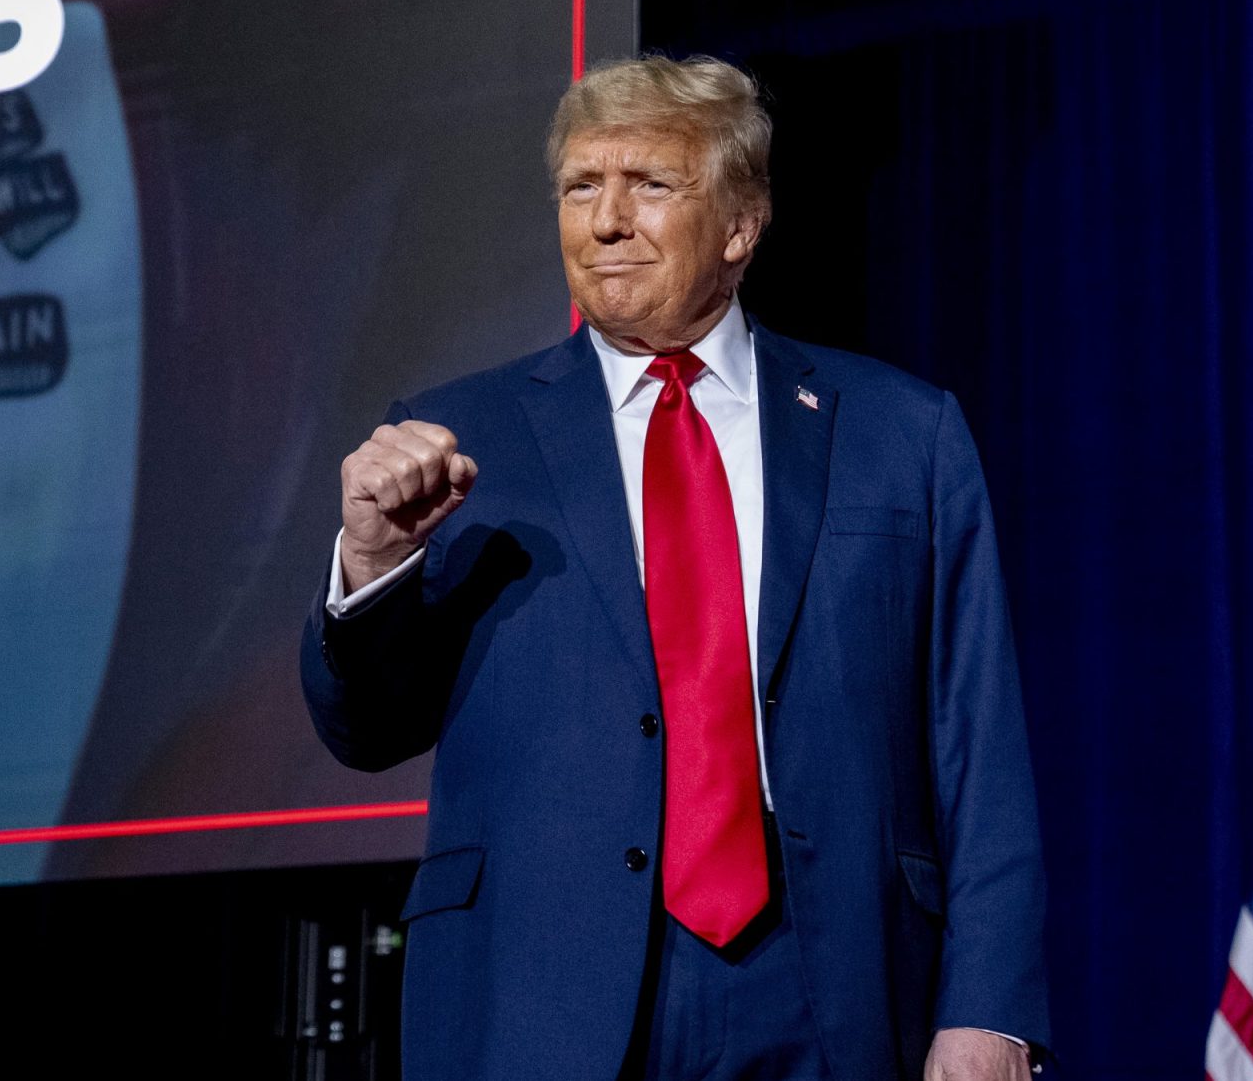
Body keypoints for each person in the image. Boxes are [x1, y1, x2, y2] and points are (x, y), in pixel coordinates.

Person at [301, 55, 1049, 1080]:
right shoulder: (460, 432)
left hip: (831, 977)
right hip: (538, 984)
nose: (604, 220)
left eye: (647, 185)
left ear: (740, 226)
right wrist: (374, 559)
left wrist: (988, 1009)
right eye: (579, 188)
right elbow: (365, 728)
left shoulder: (900, 434)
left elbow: (977, 742)